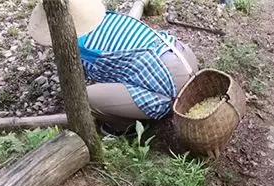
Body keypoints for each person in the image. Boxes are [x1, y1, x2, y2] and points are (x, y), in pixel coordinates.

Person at [28, 0, 198, 134]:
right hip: (187, 62)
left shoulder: (84, 49)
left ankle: (126, 127)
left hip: (169, 94)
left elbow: (94, 76)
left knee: (84, 97)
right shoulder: (110, 18)